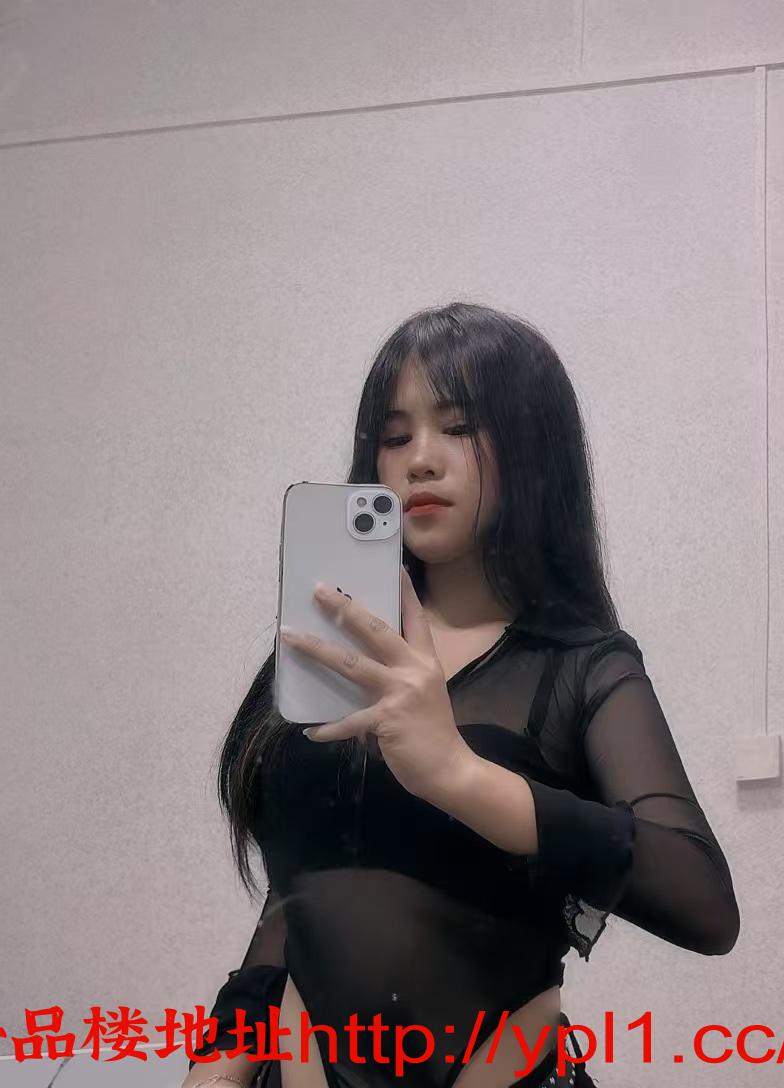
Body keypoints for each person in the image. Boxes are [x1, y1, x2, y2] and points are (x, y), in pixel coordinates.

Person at [182, 302, 740, 1088]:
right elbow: (296, 896)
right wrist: (218, 1066)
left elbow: (705, 904)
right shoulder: (328, 652)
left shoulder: (583, 668)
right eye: (395, 436)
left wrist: (457, 774)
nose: (420, 460)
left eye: (459, 427)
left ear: (532, 446)